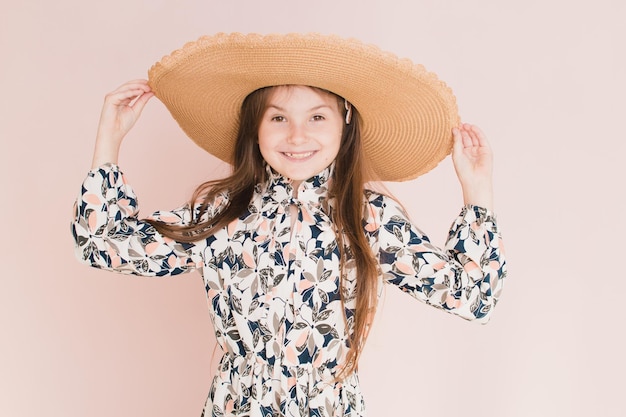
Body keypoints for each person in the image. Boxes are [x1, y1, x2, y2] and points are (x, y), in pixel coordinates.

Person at [71, 33, 506, 417]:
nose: (297, 136)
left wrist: (477, 190)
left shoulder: (367, 216)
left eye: (317, 117)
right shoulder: (221, 213)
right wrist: (109, 139)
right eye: (278, 117)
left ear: (345, 123)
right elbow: (102, 244)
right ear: (255, 128)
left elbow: (473, 296)